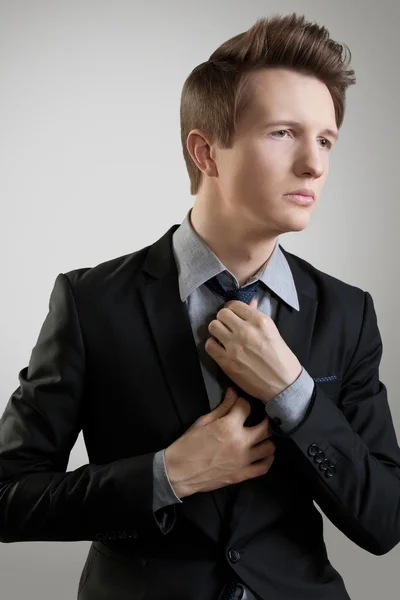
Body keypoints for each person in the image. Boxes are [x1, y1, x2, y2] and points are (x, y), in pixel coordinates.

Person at [1, 11, 400, 600]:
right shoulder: (90, 303)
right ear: (206, 151)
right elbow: (9, 497)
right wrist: (168, 475)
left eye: (324, 139)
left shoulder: (348, 312)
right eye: (283, 133)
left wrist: (295, 393)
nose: (315, 164)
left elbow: (384, 521)